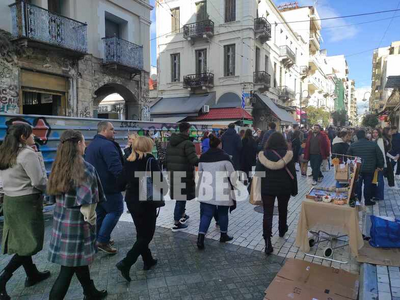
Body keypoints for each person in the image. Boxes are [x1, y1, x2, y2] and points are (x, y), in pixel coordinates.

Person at [47, 130, 107, 300]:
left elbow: (50, 195)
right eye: (83, 141)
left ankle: (91, 292)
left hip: (61, 219)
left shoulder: (58, 165)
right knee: (66, 270)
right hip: (77, 223)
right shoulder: (85, 168)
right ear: (78, 144)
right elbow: (91, 200)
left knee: (77, 261)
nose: (85, 145)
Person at [0, 124, 50, 299]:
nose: (33, 137)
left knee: (22, 239)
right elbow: (38, 181)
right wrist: (50, 189)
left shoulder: (5, 151)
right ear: (23, 136)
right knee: (30, 242)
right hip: (26, 202)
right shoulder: (28, 154)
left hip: (10, 201)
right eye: (30, 134)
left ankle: (32, 274)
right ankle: (3, 278)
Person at [116, 136, 166, 282]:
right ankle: (126, 262)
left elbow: (119, 184)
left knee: (141, 232)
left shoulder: (129, 161)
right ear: (147, 146)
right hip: (147, 202)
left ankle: (148, 260)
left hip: (132, 202)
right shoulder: (150, 160)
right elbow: (160, 183)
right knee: (147, 235)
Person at [255, 132, 298, 255]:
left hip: (267, 188)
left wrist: (254, 188)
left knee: (267, 214)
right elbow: (292, 174)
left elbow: (258, 173)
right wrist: (294, 190)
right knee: (283, 209)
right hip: (284, 188)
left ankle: (267, 242)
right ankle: (282, 229)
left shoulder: (263, 155)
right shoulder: (288, 155)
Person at [85, 121, 124, 254]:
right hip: (109, 187)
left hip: (95, 186)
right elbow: (116, 168)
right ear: (104, 130)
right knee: (116, 210)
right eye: (112, 129)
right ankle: (102, 240)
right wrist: (125, 182)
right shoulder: (107, 145)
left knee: (101, 213)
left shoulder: (91, 145)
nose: (114, 132)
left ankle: (97, 238)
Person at [196, 135, 237, 249]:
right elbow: (232, 175)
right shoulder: (225, 157)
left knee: (206, 214)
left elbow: (200, 173)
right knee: (223, 213)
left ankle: (200, 238)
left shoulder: (203, 157)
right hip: (222, 189)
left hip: (207, 189)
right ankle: (223, 235)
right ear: (219, 144)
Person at [166, 122, 199, 231]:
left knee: (180, 196)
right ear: (187, 130)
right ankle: (176, 222)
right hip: (184, 173)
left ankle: (183, 214)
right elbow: (194, 160)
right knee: (181, 198)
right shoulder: (187, 143)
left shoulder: (171, 142)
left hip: (173, 172)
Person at [348, 130, 384, 206]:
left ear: (357, 136)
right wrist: (380, 166)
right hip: (370, 169)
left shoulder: (353, 145)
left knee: (358, 186)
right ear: (364, 135)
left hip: (358, 169)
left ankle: (358, 201)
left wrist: (350, 168)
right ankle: (367, 201)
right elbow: (380, 156)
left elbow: (349, 157)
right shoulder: (373, 144)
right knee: (368, 185)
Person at [371, 129, 387, 201]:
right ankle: (376, 195)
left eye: (376, 132)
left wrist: (380, 165)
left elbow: (381, 154)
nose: (375, 134)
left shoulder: (380, 140)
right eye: (373, 132)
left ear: (379, 133)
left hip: (379, 165)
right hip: (375, 164)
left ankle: (379, 196)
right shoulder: (375, 140)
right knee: (376, 180)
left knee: (379, 180)